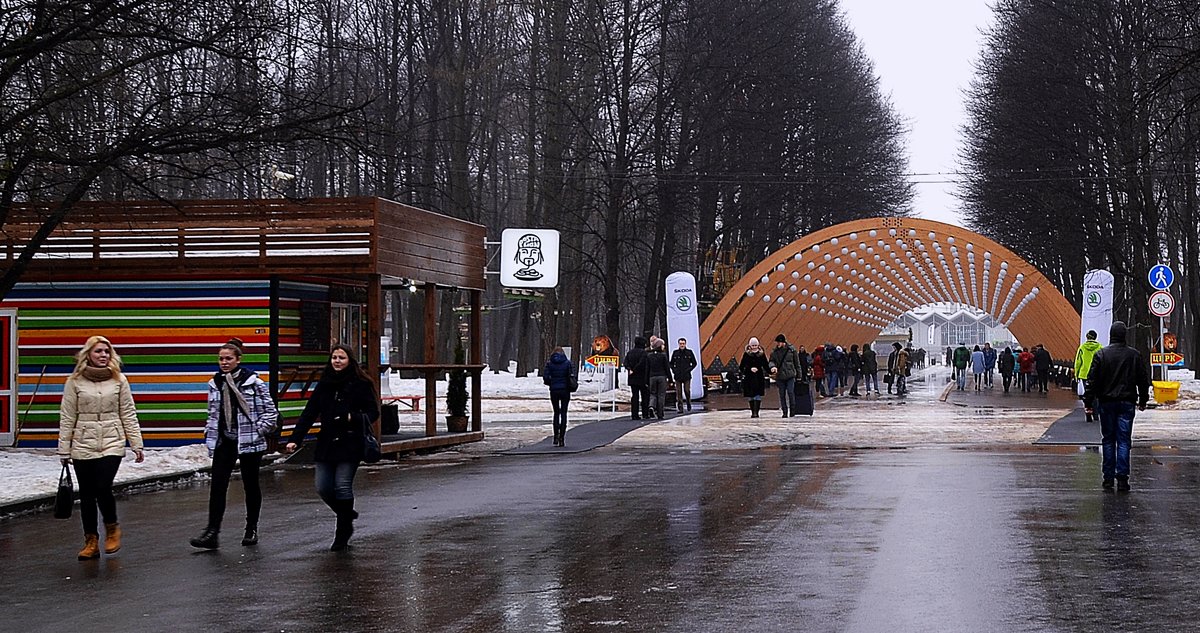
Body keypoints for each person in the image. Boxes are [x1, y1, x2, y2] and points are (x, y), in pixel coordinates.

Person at [57, 336, 145, 560]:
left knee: (102, 486)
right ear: (88, 354)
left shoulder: (119, 380)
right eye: (98, 351)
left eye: (107, 351)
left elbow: (128, 412)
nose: (103, 355)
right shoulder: (74, 381)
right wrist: (64, 449)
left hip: (111, 440)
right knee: (86, 493)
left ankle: (112, 527)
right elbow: (67, 416)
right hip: (83, 440)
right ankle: (91, 541)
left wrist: (136, 443)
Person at [285, 345, 380, 551]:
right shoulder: (325, 384)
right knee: (323, 487)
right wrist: (295, 438)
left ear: (350, 361)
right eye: (334, 357)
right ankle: (345, 513)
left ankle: (342, 532)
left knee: (342, 486)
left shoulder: (360, 383)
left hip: (350, 442)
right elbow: (309, 413)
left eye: (341, 358)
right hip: (327, 443)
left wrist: (352, 418)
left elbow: (373, 412)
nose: (337, 361)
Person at [190, 339, 279, 550]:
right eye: (221, 359)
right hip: (225, 439)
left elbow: (271, 413)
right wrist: (210, 433)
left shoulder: (253, 382)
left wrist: (259, 430)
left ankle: (251, 528)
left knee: (251, 484)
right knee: (218, 486)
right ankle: (212, 532)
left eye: (229, 358)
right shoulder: (215, 383)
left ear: (238, 359)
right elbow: (212, 413)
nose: (224, 362)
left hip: (249, 440)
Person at [1084, 321, 1150, 491]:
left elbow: (1092, 381)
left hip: (1106, 403)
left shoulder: (1101, 355)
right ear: (1124, 335)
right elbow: (1143, 380)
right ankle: (1122, 478)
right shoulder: (1134, 355)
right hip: (1127, 402)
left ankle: (1107, 478)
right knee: (1123, 440)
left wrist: (1089, 402)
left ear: (1111, 335)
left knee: (1108, 439)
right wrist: (1143, 400)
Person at [543, 347, 575, 446]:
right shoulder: (567, 363)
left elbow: (546, 377)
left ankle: (555, 435)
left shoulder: (550, 363)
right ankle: (562, 437)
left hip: (554, 390)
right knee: (564, 412)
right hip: (565, 390)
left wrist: (551, 383)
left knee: (556, 412)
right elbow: (571, 375)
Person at [768, 334, 800, 417]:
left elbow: (797, 363)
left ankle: (793, 410)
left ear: (783, 342)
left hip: (790, 375)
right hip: (780, 376)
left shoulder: (792, 350)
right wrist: (772, 367)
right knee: (782, 394)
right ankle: (784, 412)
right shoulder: (775, 352)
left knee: (790, 392)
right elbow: (771, 361)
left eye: (779, 342)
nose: (778, 344)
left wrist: (799, 376)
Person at [1074, 330, 1103, 422]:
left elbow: (1078, 362)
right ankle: (1096, 414)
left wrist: (1077, 374)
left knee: (1087, 394)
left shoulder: (1082, 348)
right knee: (1096, 394)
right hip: (1096, 374)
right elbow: (1103, 361)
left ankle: (1088, 412)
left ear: (1087, 337)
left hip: (1084, 374)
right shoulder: (1100, 348)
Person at [739, 337, 770, 417]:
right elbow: (742, 366)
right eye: (753, 345)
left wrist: (770, 371)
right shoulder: (746, 354)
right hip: (749, 377)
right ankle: (753, 411)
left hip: (758, 377)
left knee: (757, 395)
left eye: (755, 345)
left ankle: (756, 412)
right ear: (750, 346)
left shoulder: (761, 354)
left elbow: (765, 364)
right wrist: (750, 369)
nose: (754, 347)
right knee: (751, 396)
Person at [645, 339, 672, 420]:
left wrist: (646, 380)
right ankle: (660, 413)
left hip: (652, 377)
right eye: (663, 345)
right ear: (659, 346)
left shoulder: (649, 355)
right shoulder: (663, 355)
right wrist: (670, 379)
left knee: (653, 394)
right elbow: (667, 368)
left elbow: (647, 368)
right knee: (661, 395)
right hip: (662, 377)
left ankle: (651, 406)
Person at [624, 337, 649, 419]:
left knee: (634, 396)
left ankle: (634, 414)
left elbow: (625, 363)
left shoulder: (630, 353)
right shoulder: (643, 353)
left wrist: (630, 369)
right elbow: (642, 364)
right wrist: (634, 370)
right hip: (642, 377)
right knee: (644, 396)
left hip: (632, 378)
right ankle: (645, 414)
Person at [670, 338, 698, 411]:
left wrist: (689, 369)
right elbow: (671, 363)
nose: (682, 345)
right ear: (678, 344)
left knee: (687, 390)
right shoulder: (675, 353)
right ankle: (680, 407)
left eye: (683, 344)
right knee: (678, 392)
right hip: (678, 375)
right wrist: (674, 370)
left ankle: (688, 402)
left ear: (685, 344)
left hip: (686, 375)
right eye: (680, 344)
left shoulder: (689, 352)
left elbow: (694, 363)